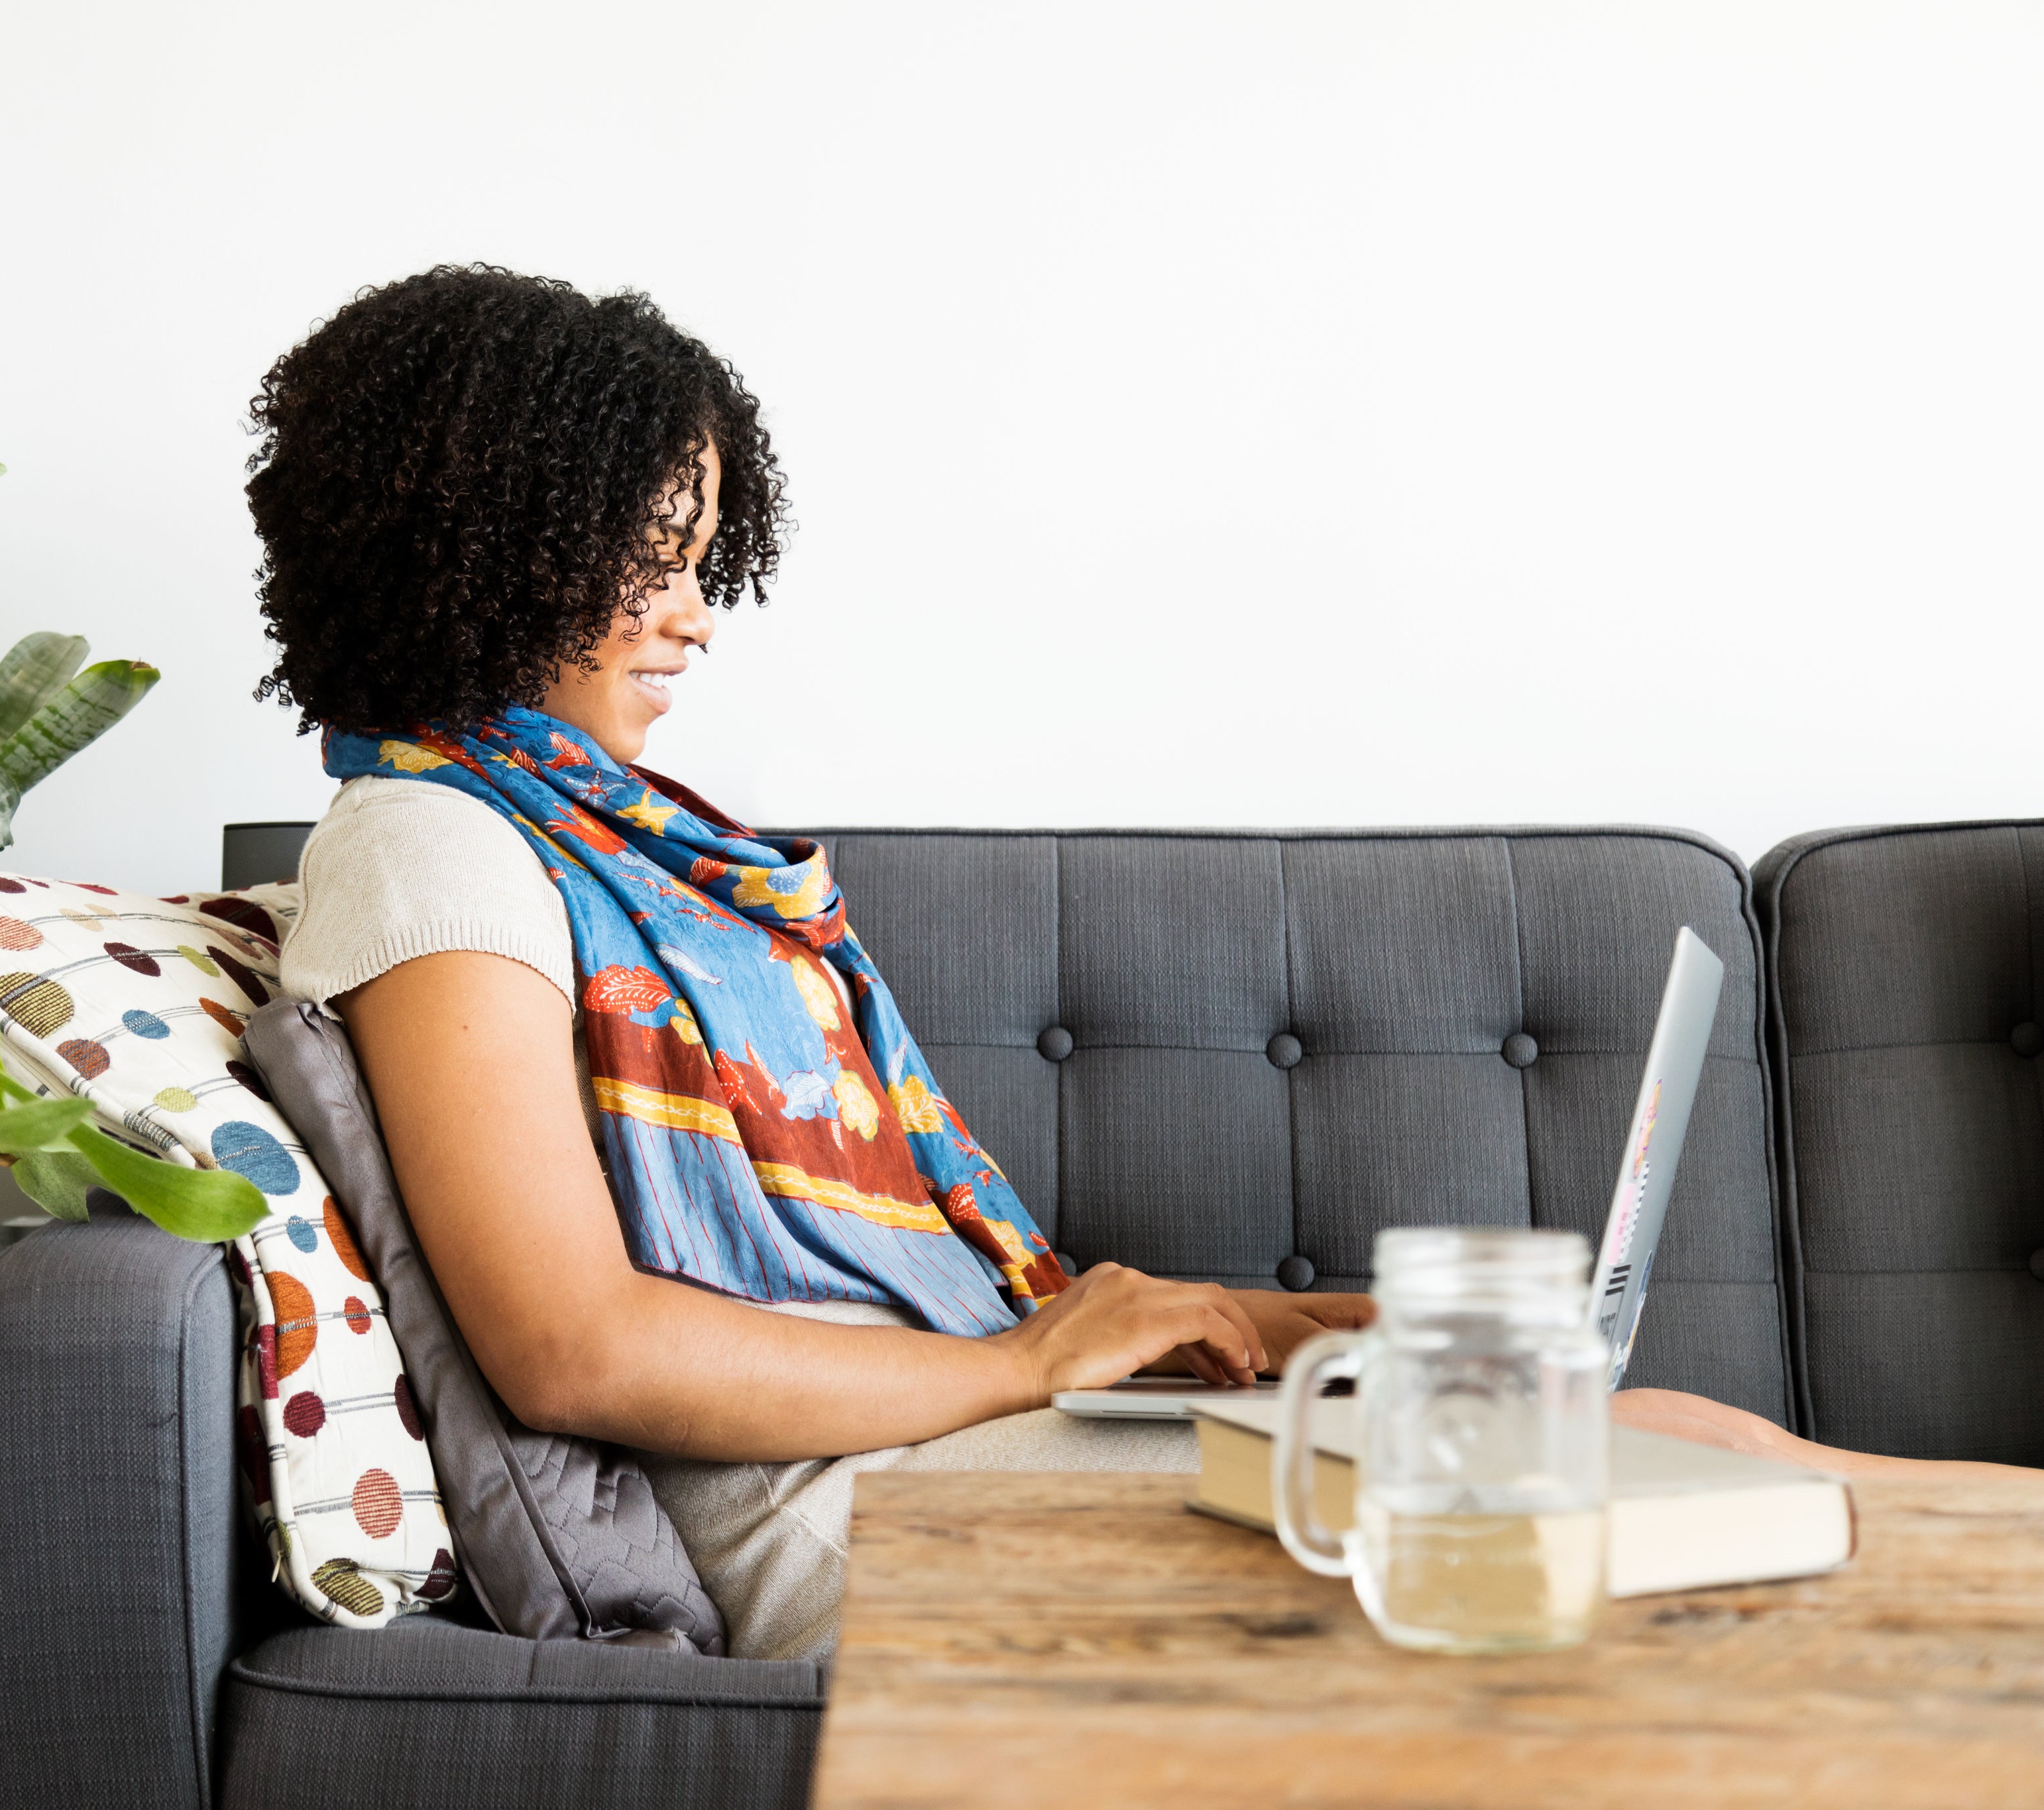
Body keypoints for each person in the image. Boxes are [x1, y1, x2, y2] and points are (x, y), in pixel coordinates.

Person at [249, 266, 2013, 1661]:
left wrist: (1276, 1325)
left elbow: (909, 1306)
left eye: (702, 564)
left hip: (948, 1440)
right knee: (1676, 1510)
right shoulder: (438, 845)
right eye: (645, 565)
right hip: (853, 1513)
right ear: (478, 549)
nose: (693, 619)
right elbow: (576, 1347)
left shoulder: (624, 845)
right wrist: (1039, 1363)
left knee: (1694, 1432)